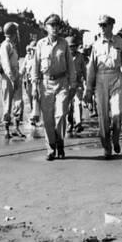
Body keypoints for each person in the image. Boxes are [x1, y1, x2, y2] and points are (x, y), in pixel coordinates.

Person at [84, 15, 122, 158]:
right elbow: (91, 68)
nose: (102, 28)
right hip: (100, 79)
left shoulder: (119, 42)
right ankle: (106, 146)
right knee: (103, 116)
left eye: (105, 25)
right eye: (100, 26)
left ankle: (116, 138)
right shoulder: (96, 45)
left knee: (117, 113)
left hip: (116, 77)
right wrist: (88, 88)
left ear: (111, 26)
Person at [33, 14, 76, 160]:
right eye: (52, 25)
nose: (55, 28)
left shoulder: (64, 43)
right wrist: (34, 86)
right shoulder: (40, 44)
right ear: (46, 27)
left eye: (57, 25)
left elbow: (70, 65)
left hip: (62, 83)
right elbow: (35, 66)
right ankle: (51, 148)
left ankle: (60, 142)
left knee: (61, 114)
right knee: (47, 119)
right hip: (45, 84)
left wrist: (73, 83)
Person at [0, 22, 25, 139]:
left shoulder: (12, 45)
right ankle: (6, 129)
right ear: (13, 33)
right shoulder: (5, 46)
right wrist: (12, 78)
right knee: (7, 103)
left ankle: (17, 127)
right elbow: (5, 64)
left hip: (15, 75)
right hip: (8, 77)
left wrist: (17, 76)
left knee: (19, 102)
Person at [66, 36, 87, 134]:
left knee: (78, 103)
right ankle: (70, 124)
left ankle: (78, 123)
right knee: (69, 106)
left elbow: (84, 69)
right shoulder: (64, 57)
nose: (73, 48)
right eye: (70, 46)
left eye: (74, 46)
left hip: (78, 83)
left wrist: (86, 80)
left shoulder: (80, 56)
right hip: (67, 83)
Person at [20, 41, 40, 125]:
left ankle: (36, 117)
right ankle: (34, 114)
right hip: (28, 81)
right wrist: (18, 76)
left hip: (37, 81)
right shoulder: (27, 57)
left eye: (34, 49)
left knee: (36, 98)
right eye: (31, 49)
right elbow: (23, 68)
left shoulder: (39, 57)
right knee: (31, 99)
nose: (32, 51)